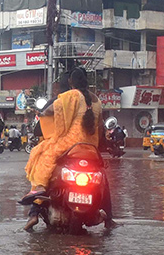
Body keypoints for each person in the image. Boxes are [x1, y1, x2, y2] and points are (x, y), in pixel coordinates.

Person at [20, 68, 108, 230]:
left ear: (71, 82)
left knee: (41, 155)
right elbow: (100, 129)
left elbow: (50, 110)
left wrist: (46, 116)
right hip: (90, 149)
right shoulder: (97, 101)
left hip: (70, 144)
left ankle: (38, 195)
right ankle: (108, 217)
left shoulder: (71, 95)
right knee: (103, 175)